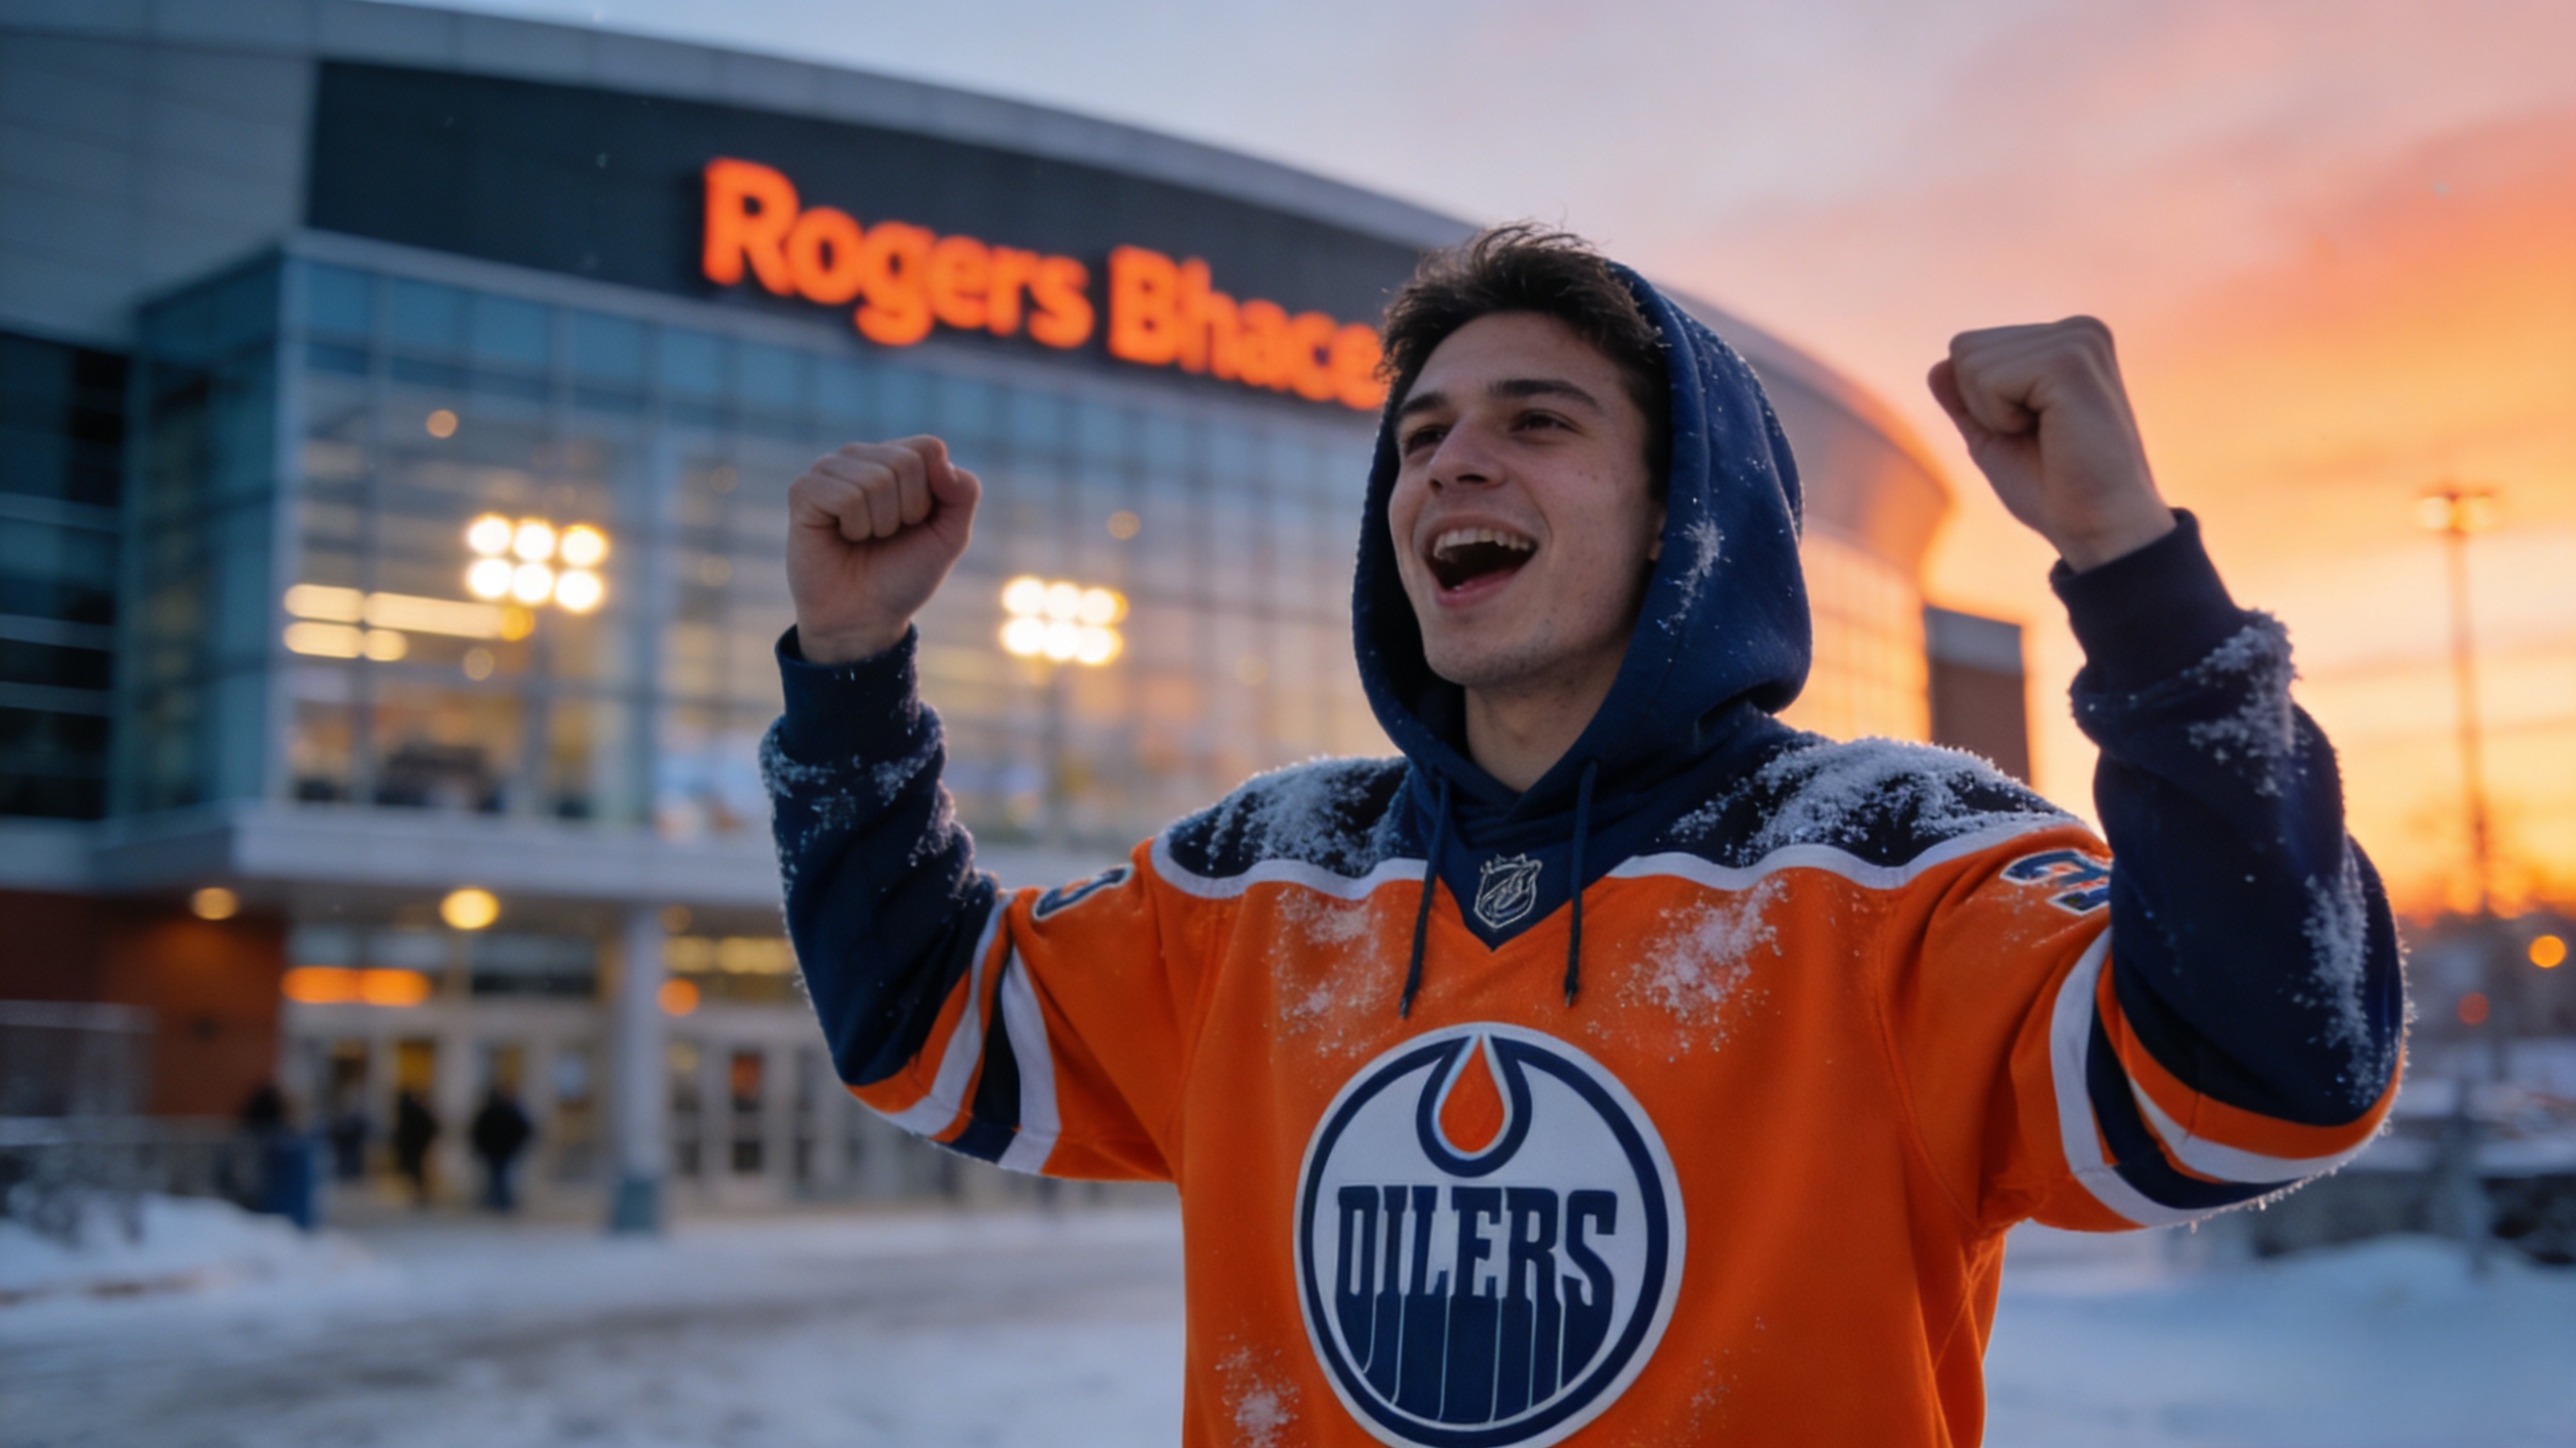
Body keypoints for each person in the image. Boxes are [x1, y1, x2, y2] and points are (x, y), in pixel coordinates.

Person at [763, 226, 2404, 1445]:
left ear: (1688, 514)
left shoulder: (1895, 862)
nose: (1449, 460)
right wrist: (847, 675)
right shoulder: (1267, 878)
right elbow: (930, 1033)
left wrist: (2132, 568)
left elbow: (2263, 1086)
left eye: (1537, 421)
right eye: (1419, 437)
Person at [470, 1085, 535, 1214]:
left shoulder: (493, 1112)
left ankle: (499, 1200)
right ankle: (500, 1200)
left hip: (499, 1150)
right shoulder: (510, 1112)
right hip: (501, 1150)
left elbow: (478, 1132)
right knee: (499, 1175)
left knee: (498, 1175)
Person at [392, 1087, 440, 1208]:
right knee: (417, 1173)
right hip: (417, 1148)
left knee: (418, 1173)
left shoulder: (411, 1113)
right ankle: (420, 1195)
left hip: (416, 1148)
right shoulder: (416, 1112)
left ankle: (421, 1195)